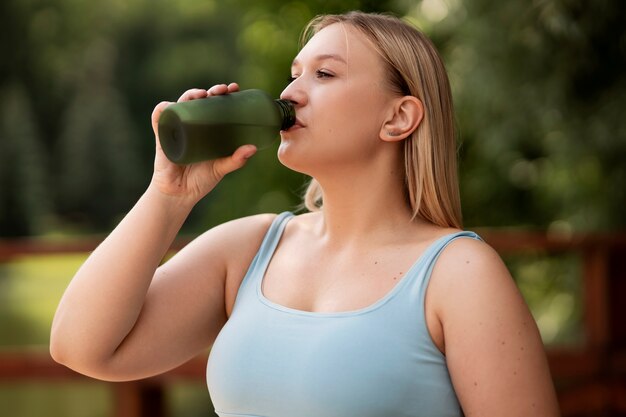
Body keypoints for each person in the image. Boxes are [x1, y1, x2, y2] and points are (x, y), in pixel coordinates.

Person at [50, 11, 560, 417]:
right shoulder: (248, 250)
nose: (289, 95)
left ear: (398, 117)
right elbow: (81, 346)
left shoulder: (460, 275)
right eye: (293, 75)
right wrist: (169, 194)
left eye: (324, 74)